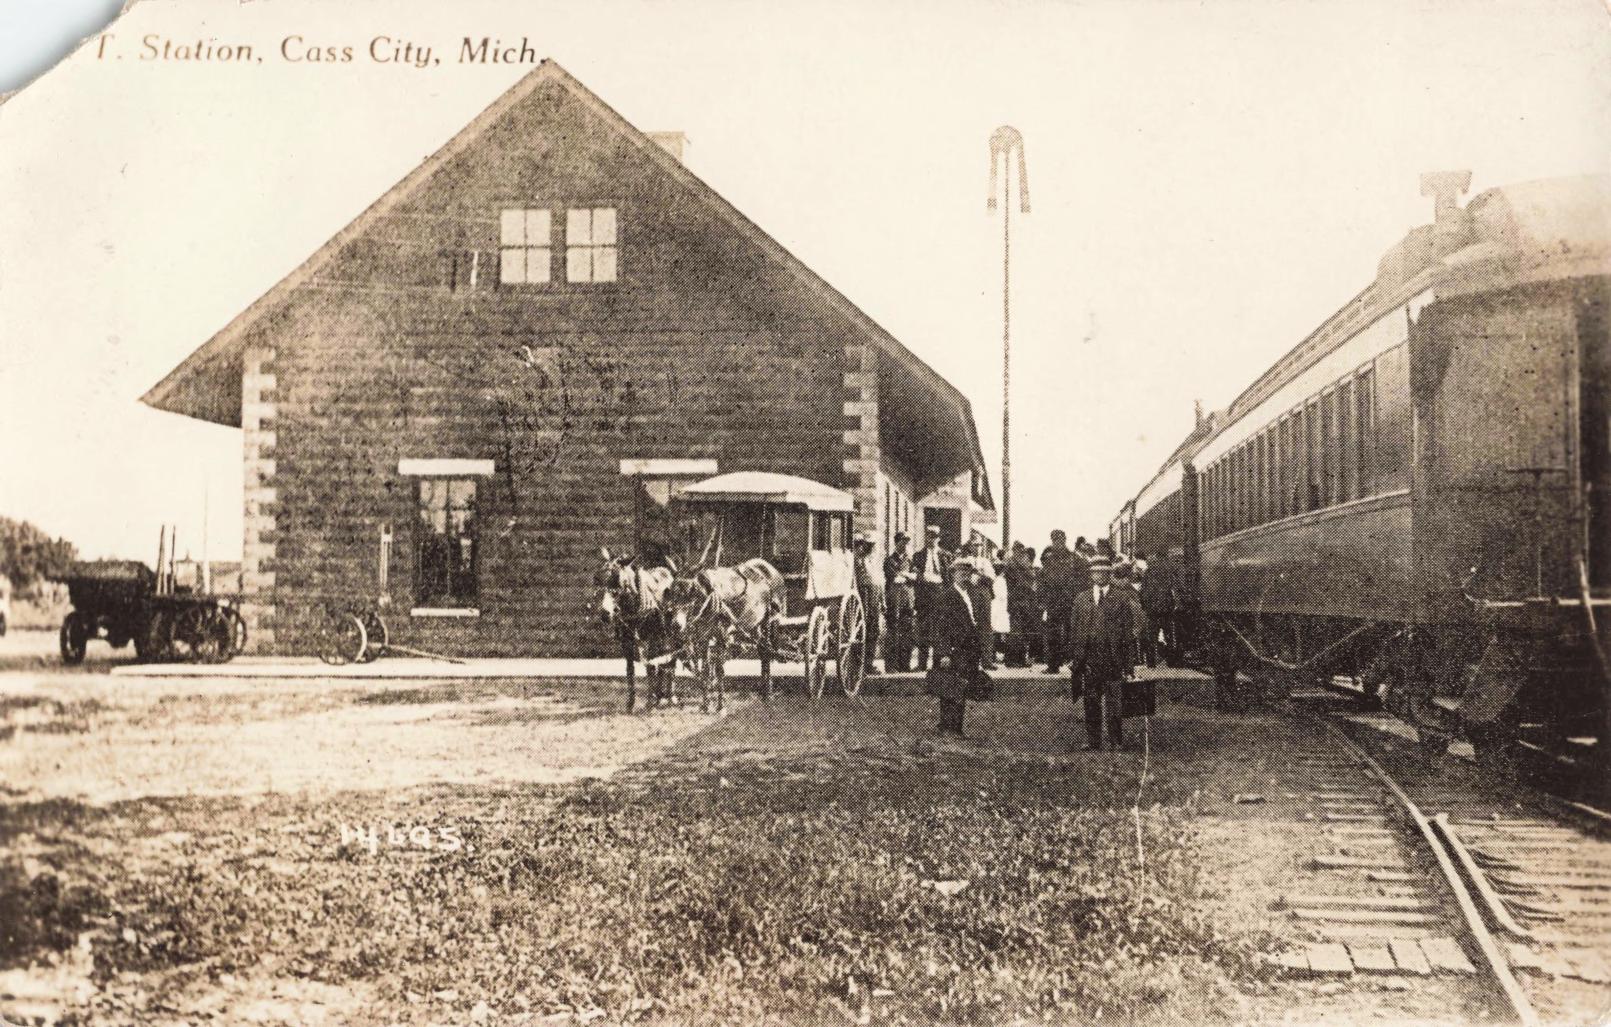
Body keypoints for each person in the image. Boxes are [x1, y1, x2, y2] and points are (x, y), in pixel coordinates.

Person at [1066, 555, 1141, 751]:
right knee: (1091, 700)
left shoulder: (1121, 599)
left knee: (1114, 702)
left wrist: (1128, 665)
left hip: (1112, 657)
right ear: (1091, 575)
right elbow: (1074, 629)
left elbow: (1127, 634)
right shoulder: (1081, 599)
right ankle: (1094, 741)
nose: (1099, 576)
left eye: (1103, 572)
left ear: (1110, 574)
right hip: (1089, 658)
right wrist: (1074, 657)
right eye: (1095, 572)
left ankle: (1116, 741)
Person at [930, 559, 982, 736]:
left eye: (968, 573)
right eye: (961, 573)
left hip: (968, 649)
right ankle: (948, 727)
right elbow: (940, 628)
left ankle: (955, 727)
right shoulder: (947, 596)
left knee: (961, 687)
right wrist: (944, 652)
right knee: (950, 687)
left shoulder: (971, 594)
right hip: (953, 650)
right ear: (953, 575)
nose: (965, 576)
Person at [1039, 530, 1083, 674]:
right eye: (1055, 540)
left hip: (1071, 602)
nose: (1058, 543)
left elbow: (1082, 580)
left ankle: (1075, 663)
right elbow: (1042, 581)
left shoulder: (1075, 558)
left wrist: (1079, 598)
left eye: (1060, 540)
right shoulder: (1048, 559)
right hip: (1053, 602)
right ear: (1052, 541)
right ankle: (1053, 665)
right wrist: (1042, 601)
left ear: (1065, 540)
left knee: (1073, 633)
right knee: (1052, 634)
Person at [910, 525, 951, 671]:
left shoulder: (946, 555)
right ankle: (922, 663)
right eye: (929, 536)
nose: (931, 539)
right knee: (923, 629)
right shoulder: (918, 556)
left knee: (939, 629)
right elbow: (914, 575)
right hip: (924, 594)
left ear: (938, 538)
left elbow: (949, 578)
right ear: (926, 537)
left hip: (940, 594)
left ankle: (937, 664)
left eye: (934, 537)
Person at [961, 538, 999, 670]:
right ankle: (970, 661)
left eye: (979, 545)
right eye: (975, 545)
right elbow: (961, 577)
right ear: (970, 546)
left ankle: (987, 661)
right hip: (970, 594)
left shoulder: (985, 561)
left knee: (986, 626)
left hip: (984, 594)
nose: (977, 548)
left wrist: (979, 575)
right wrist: (972, 575)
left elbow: (991, 578)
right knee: (969, 625)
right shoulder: (965, 560)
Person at [883, 531, 916, 672]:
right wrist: (907, 576)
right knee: (893, 631)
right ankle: (891, 666)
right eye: (903, 542)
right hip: (894, 600)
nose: (906, 545)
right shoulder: (889, 560)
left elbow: (915, 577)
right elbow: (895, 579)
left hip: (908, 600)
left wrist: (905, 575)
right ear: (896, 543)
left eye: (907, 543)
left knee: (907, 631)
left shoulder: (910, 560)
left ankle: (905, 665)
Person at [852, 534, 884, 675]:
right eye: (869, 545)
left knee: (874, 629)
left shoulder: (875, 560)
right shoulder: (858, 560)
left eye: (873, 545)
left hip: (875, 594)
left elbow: (879, 580)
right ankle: (858, 665)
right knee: (863, 629)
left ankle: (868, 664)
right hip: (864, 593)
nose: (871, 548)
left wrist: (882, 600)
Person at [1002, 542, 1037, 667]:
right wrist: (1030, 584)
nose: (1021, 553)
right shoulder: (1011, 564)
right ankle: (1012, 660)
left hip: (1023, 601)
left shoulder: (1021, 563)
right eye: (1019, 551)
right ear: (1014, 551)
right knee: (1016, 632)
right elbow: (1021, 582)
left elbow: (1030, 577)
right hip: (1016, 601)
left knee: (1022, 632)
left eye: (1022, 551)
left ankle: (1020, 659)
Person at [1140, 552, 1179, 666]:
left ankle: (1151, 662)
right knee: (1169, 635)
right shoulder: (1169, 570)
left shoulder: (1148, 571)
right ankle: (1171, 661)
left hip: (1151, 609)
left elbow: (1143, 591)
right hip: (1166, 608)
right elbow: (1174, 588)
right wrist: (1174, 605)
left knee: (1151, 636)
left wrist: (1145, 606)